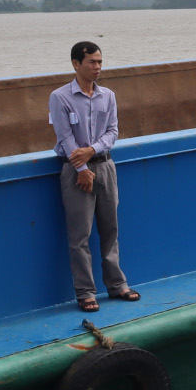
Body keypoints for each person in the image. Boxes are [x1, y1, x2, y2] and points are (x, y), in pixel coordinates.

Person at [50, 41, 139, 311]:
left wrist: (91, 150)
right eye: (92, 62)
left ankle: (116, 285)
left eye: (100, 61)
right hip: (76, 172)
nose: (97, 67)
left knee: (110, 228)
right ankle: (85, 292)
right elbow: (64, 137)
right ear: (76, 64)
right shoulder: (60, 97)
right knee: (80, 235)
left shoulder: (108, 95)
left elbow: (113, 132)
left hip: (105, 166)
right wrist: (81, 169)